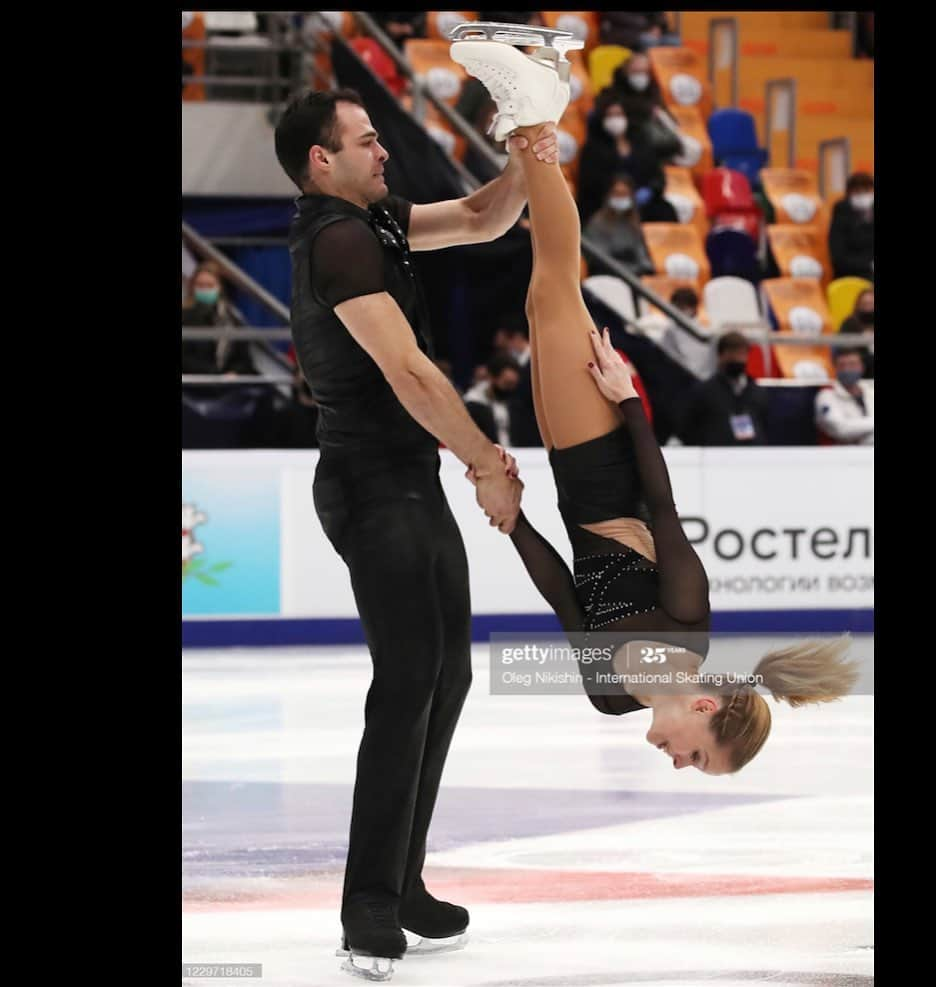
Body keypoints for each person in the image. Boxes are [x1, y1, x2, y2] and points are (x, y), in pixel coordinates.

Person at [450, 34, 859, 772]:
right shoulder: (687, 625)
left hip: (567, 482)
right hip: (605, 454)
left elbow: (562, 598)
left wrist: (513, 521)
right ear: (705, 708)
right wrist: (629, 399)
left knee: (547, 289)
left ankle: (537, 104)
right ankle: (535, 117)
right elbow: (662, 510)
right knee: (551, 286)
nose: (677, 762)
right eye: (697, 758)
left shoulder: (610, 695)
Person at [274, 88, 558, 978]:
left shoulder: (376, 218)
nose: (384, 150)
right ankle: (367, 907)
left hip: (405, 481)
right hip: (367, 484)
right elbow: (408, 371)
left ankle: (402, 883)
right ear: (323, 161)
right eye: (365, 141)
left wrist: (526, 150)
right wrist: (483, 460)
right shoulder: (338, 239)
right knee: (407, 680)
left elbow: (480, 217)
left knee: (449, 672)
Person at [577, 94, 664, 221]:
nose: (615, 120)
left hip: (641, 205)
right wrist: (618, 192)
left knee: (664, 210)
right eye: (610, 115)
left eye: (619, 114)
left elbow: (657, 175)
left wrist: (649, 190)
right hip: (603, 203)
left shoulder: (641, 144)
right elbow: (589, 183)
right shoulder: (592, 148)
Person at [677, 331, 770, 446]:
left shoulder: (758, 392)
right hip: (715, 457)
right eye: (733, 353)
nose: (738, 359)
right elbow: (688, 429)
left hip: (752, 455)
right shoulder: (704, 392)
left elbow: (766, 427)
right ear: (721, 356)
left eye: (742, 354)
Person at [181, 261, 258, 378]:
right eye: (200, 285)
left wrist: (233, 373)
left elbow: (244, 359)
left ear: (220, 287)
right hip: (193, 385)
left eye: (209, 285)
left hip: (228, 385)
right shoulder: (184, 317)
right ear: (193, 287)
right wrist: (216, 375)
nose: (204, 290)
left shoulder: (232, 319)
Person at [584, 173, 656, 277]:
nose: (620, 198)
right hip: (606, 274)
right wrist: (632, 270)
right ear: (609, 195)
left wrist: (646, 268)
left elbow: (640, 252)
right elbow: (602, 260)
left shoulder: (633, 222)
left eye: (624, 194)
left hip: (632, 273)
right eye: (617, 194)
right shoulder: (597, 223)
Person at [815, 349, 874, 445]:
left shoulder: (870, 391)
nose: (847, 369)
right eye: (842, 365)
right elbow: (840, 429)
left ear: (862, 367)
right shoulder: (826, 395)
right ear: (835, 368)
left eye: (852, 364)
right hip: (839, 454)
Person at [462, 352, 522, 445]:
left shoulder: (517, 404)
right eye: (507, 383)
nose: (511, 389)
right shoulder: (473, 404)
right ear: (492, 378)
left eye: (513, 384)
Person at [828, 172, 874, 281]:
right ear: (849, 194)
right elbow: (838, 259)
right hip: (850, 277)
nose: (862, 195)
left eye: (866, 191)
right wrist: (869, 265)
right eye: (857, 192)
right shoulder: (841, 214)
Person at [838, 287, 874, 379]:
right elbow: (845, 349)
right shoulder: (849, 323)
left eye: (871, 304)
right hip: (859, 368)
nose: (868, 308)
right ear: (858, 305)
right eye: (865, 304)